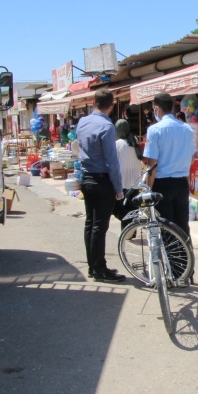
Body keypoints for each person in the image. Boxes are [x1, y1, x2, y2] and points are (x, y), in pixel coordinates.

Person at [77, 89, 125, 282]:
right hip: (101, 180)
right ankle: (99, 268)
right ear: (111, 106)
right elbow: (112, 161)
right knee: (99, 226)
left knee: (90, 224)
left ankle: (93, 266)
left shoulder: (82, 122)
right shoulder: (107, 126)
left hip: (86, 177)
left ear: (93, 103)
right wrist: (119, 188)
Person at [144, 91, 197, 240]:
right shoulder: (187, 129)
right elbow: (192, 159)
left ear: (157, 108)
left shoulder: (154, 130)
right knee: (182, 226)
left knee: (166, 228)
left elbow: (152, 165)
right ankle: (184, 261)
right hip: (181, 183)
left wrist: (149, 189)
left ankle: (171, 262)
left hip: (163, 184)